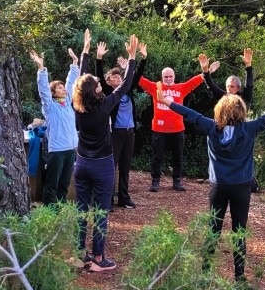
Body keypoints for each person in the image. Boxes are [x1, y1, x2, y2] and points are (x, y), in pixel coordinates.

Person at [156, 86, 265, 280]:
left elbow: (190, 114)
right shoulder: (250, 129)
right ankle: (239, 277)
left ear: (219, 110)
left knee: (213, 229)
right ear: (241, 111)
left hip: (218, 186)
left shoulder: (211, 127)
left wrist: (166, 102)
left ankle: (205, 274)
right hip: (241, 187)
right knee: (239, 230)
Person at [73, 29, 140, 272]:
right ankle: (99, 258)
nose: (101, 83)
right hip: (101, 165)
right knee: (101, 211)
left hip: (81, 164)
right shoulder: (104, 107)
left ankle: (80, 255)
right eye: (98, 84)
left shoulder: (78, 106)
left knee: (81, 209)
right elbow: (125, 86)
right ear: (97, 91)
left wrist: (85, 52)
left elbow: (82, 81)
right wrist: (131, 59)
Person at [95, 42, 148, 209]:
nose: (117, 78)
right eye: (114, 77)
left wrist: (143, 59)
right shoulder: (109, 93)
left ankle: (124, 198)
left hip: (129, 133)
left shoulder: (127, 90)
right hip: (115, 134)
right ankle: (108, 200)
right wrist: (99, 58)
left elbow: (136, 75)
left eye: (119, 76)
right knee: (112, 166)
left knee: (125, 167)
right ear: (108, 81)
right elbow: (99, 76)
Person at [138, 64, 205, 192]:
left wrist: (205, 73)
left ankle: (177, 180)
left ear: (174, 77)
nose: (168, 79)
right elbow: (140, 80)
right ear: (162, 77)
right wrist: (127, 67)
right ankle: (155, 180)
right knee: (157, 156)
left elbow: (193, 82)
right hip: (159, 129)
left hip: (177, 129)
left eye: (170, 76)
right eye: (165, 77)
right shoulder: (155, 87)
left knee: (177, 156)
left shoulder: (181, 88)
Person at [30, 48, 79, 206]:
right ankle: (49, 214)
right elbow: (43, 89)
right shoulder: (50, 106)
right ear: (53, 93)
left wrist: (75, 64)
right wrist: (41, 68)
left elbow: (71, 83)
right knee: (52, 185)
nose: (63, 88)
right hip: (57, 151)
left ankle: (60, 214)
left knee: (64, 185)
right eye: (59, 87)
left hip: (71, 150)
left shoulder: (68, 104)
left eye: (63, 87)